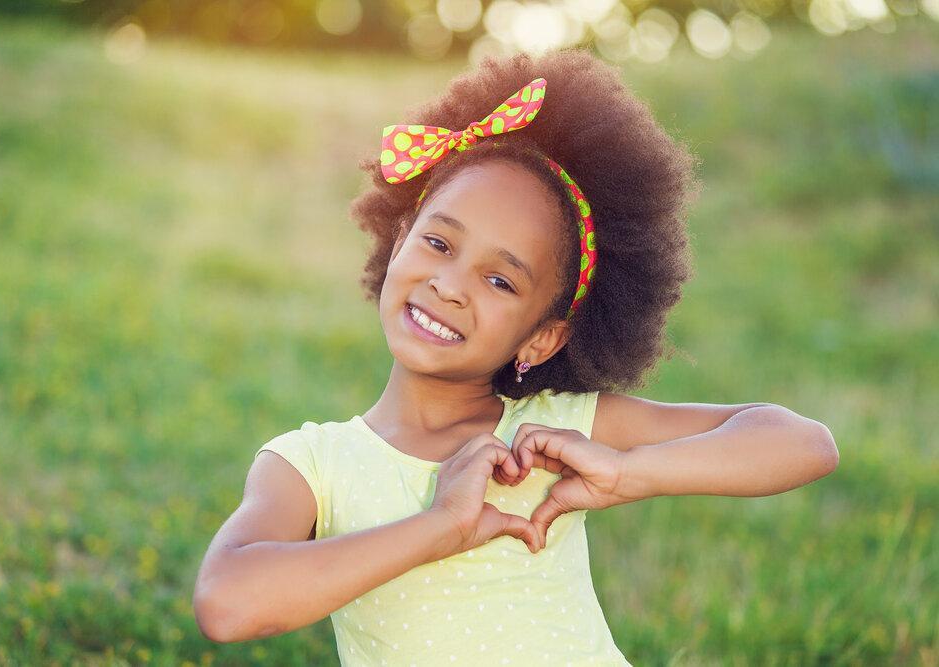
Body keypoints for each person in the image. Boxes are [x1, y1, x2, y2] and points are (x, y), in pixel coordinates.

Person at [192, 48, 839, 665]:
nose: (450, 284)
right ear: (397, 240)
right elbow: (227, 602)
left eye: (500, 281)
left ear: (542, 338)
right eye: (440, 243)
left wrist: (630, 471)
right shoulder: (311, 464)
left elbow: (803, 443)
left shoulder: (556, 430)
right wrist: (441, 524)